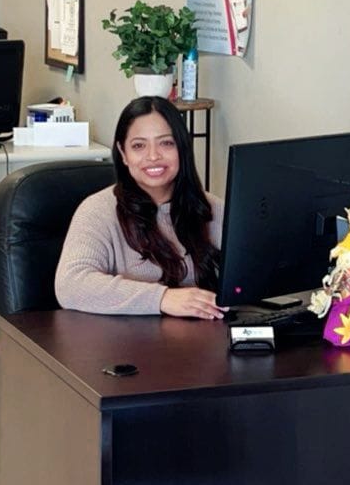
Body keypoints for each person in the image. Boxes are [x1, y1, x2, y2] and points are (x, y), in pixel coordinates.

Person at [55, 96, 227, 319]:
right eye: (139, 146)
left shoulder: (213, 208)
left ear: (182, 147)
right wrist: (162, 298)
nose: (153, 156)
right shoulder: (97, 211)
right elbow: (70, 285)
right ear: (123, 153)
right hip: (126, 340)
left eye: (166, 143)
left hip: (203, 337)